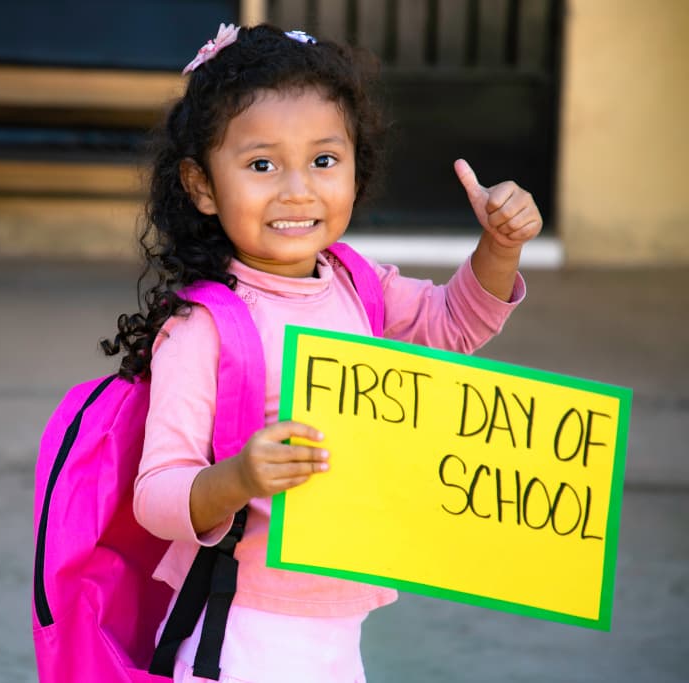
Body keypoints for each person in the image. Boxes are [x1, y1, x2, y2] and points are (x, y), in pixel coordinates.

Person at [101, 23, 543, 683]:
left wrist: (499, 249)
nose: (297, 189)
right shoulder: (202, 326)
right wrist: (238, 479)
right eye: (261, 164)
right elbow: (159, 494)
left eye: (324, 160)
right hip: (237, 636)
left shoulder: (357, 284)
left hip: (338, 634)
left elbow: (453, 325)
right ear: (200, 184)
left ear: (355, 166)